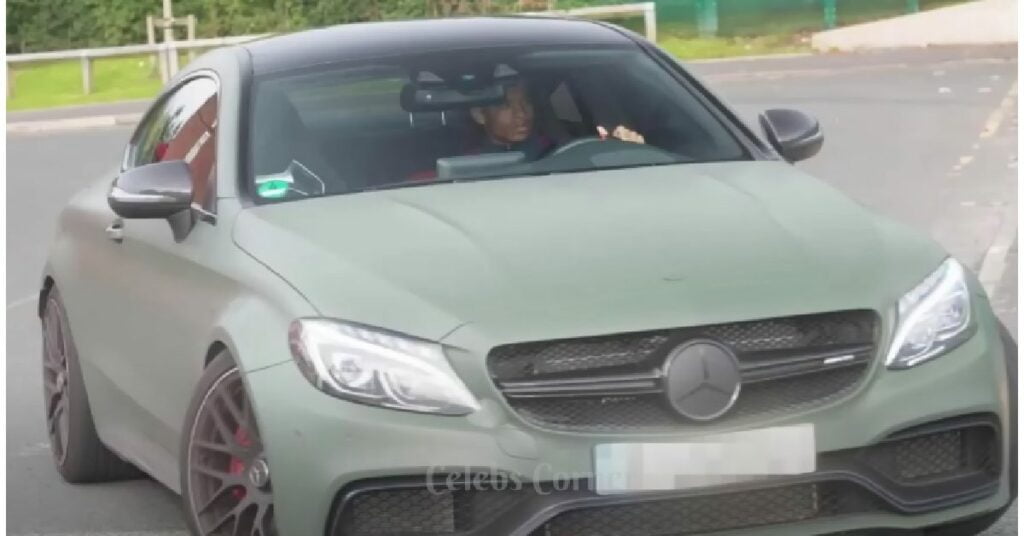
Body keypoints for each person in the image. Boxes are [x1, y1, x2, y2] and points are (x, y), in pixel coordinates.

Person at [468, 80, 644, 160]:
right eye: (506, 106)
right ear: (479, 115)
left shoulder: (559, 149)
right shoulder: (463, 167)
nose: (522, 113)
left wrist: (628, 153)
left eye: (527, 102)